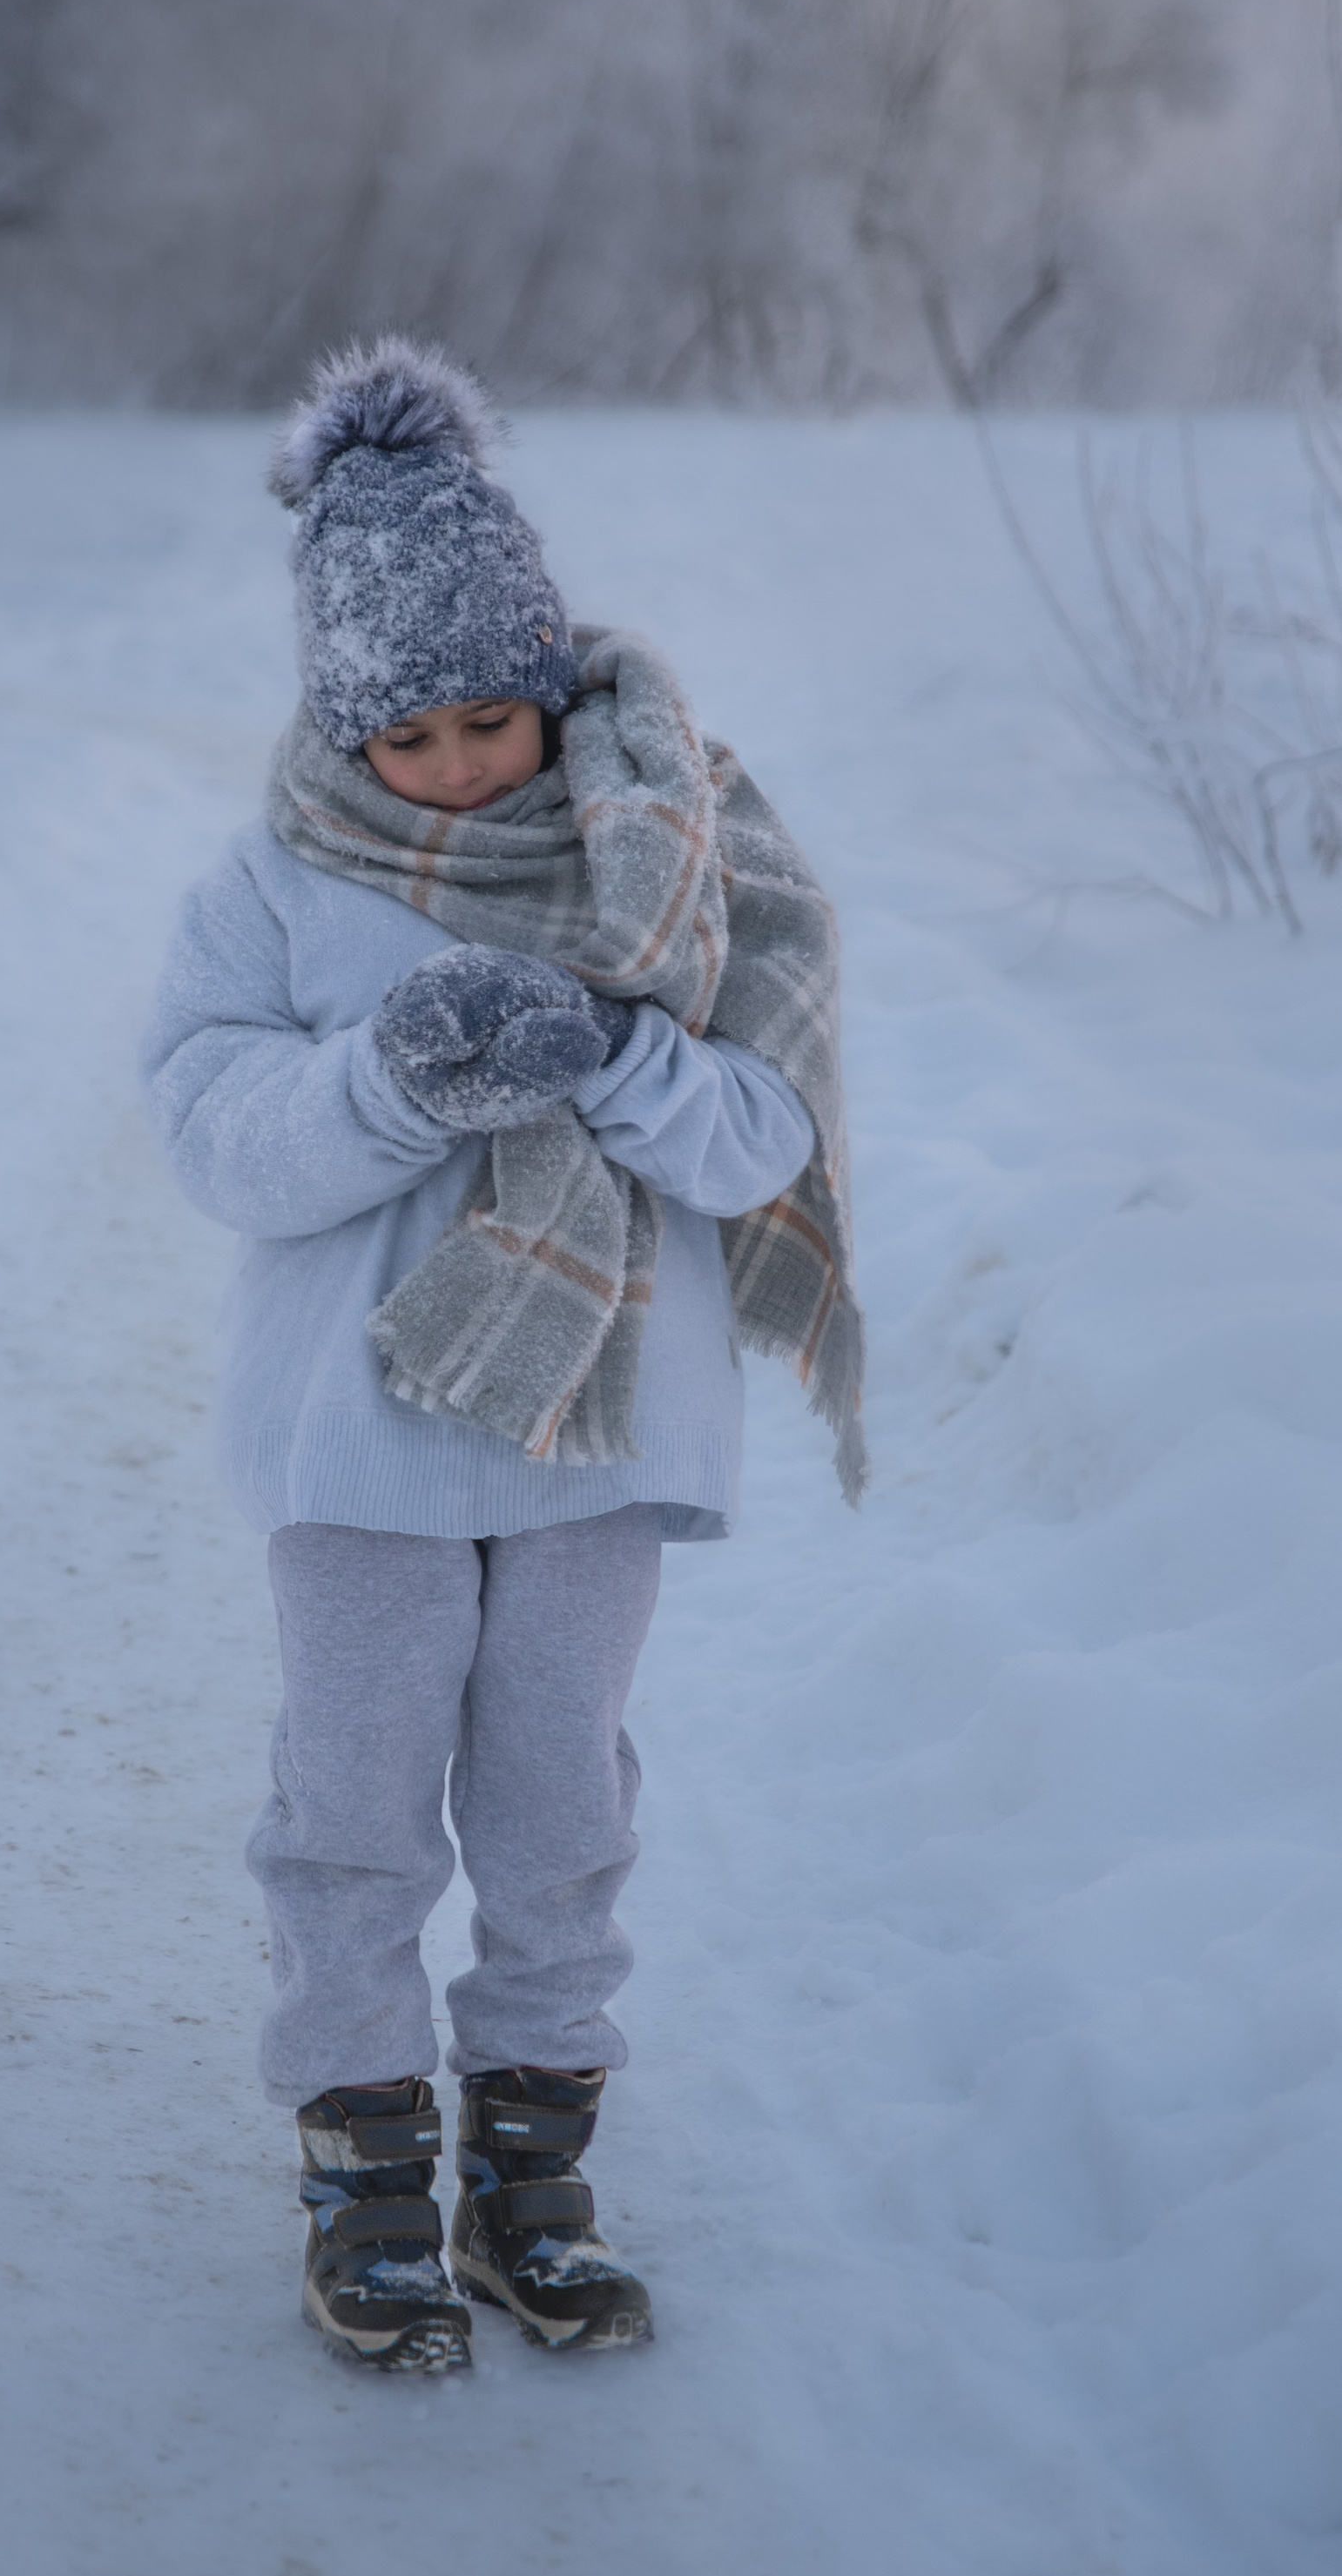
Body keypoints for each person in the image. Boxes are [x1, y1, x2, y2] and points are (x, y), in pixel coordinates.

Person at [141, 340, 864, 2372]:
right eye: (410, 732)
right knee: (353, 1801)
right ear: (340, 721)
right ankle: (365, 2171)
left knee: (559, 1808)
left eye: (492, 717)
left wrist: (616, 1055)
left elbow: (761, 1137)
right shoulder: (273, 885)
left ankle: (531, 2173)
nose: (460, 764)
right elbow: (210, 1131)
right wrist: (388, 1080)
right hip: (355, 1441)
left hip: (596, 1436)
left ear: (546, 682)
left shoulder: (676, 858)